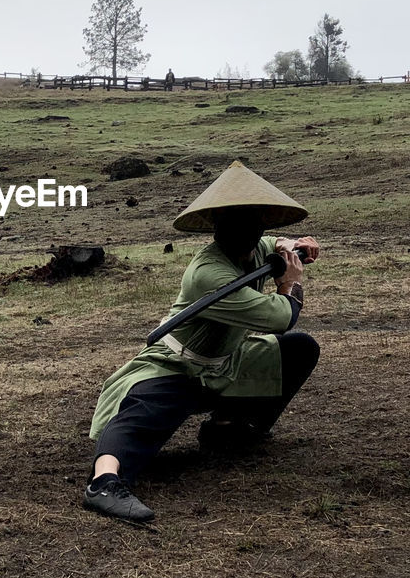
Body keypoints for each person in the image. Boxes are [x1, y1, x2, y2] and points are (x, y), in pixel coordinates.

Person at [83, 161, 321, 522]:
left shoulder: (257, 248)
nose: (242, 230)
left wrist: (292, 244)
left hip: (228, 362)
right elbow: (280, 317)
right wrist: (289, 283)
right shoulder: (208, 273)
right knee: (140, 415)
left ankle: (228, 429)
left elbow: (274, 244)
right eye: (231, 222)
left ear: (259, 224)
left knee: (299, 351)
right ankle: (104, 483)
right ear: (216, 226)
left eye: (250, 222)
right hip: (178, 365)